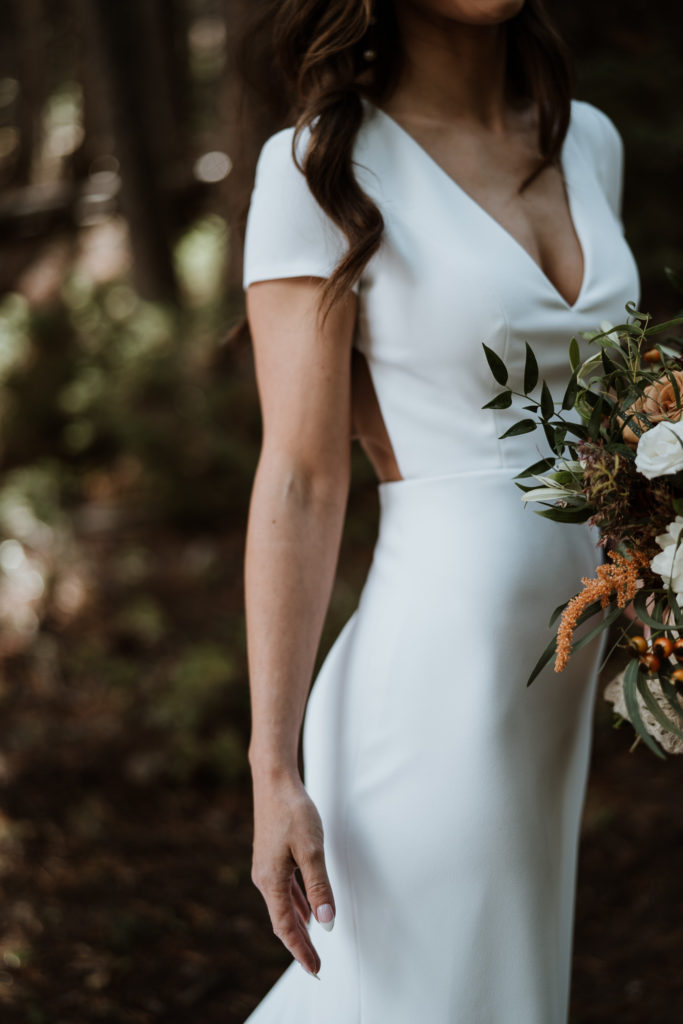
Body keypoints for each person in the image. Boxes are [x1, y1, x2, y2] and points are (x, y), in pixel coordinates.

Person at [241, 0, 641, 1020]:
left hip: (554, 682)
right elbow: (299, 475)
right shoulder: (317, 170)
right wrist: (272, 768)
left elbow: (621, 420)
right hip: (428, 690)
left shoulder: (584, 140)